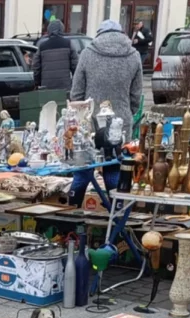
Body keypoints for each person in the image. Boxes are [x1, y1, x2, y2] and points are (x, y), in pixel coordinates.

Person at [67, 19, 144, 206]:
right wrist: (126, 113)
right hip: (120, 123)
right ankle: (117, 214)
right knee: (115, 169)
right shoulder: (134, 55)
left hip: (90, 124)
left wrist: (82, 117)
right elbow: (136, 95)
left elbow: (76, 94)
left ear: (99, 34)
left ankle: (71, 213)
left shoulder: (88, 53)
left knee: (83, 170)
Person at [33, 19, 77, 91]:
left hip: (46, 87)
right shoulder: (69, 44)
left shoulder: (42, 46)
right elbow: (75, 66)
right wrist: (75, 83)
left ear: (49, 30)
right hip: (65, 87)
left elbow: (36, 66)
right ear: (62, 29)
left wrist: (37, 82)